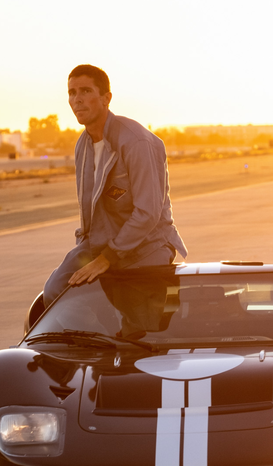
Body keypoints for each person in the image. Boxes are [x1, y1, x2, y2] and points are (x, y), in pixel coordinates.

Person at [43, 65, 187, 305]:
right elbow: (89, 212)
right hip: (100, 244)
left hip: (147, 244)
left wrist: (106, 259)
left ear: (106, 98)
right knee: (56, 291)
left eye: (86, 91)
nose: (77, 100)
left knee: (134, 309)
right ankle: (90, 341)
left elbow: (147, 213)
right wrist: (89, 250)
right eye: (72, 93)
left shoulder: (137, 142)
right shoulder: (83, 145)